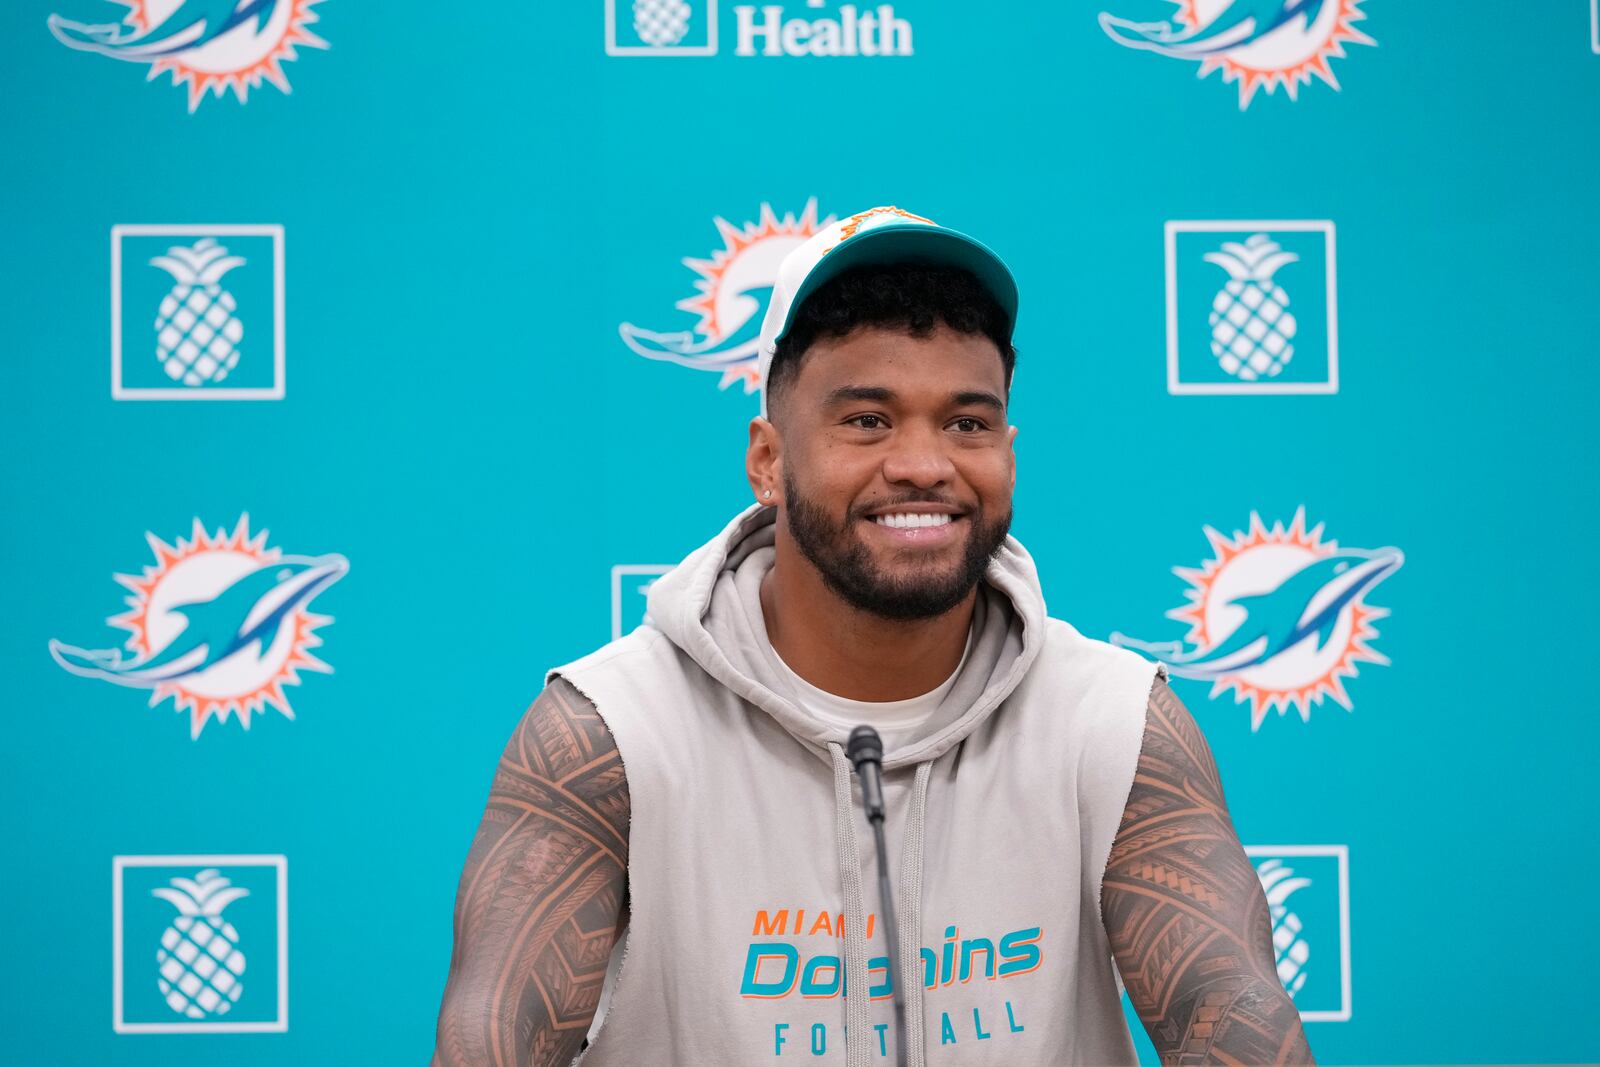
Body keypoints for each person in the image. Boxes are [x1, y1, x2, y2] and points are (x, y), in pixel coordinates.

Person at [431, 206, 1314, 1066]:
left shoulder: (1115, 721)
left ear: (1009, 449)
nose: (925, 464)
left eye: (966, 423)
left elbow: (1226, 1004)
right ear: (769, 460)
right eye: (868, 420)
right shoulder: (607, 732)